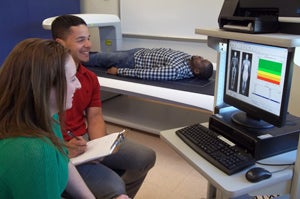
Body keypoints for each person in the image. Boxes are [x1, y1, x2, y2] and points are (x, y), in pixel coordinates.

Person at [51, 14, 156, 199]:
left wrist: (99, 148)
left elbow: (95, 116)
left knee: (145, 157)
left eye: (89, 38)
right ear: (60, 44)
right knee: (115, 186)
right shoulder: (47, 80)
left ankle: (117, 194)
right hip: (58, 146)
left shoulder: (90, 78)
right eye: (80, 40)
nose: (89, 45)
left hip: (83, 140)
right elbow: (34, 132)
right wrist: (63, 148)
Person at [0, 38, 95, 198]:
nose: (78, 85)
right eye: (72, 79)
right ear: (44, 87)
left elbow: (63, 159)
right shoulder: (34, 152)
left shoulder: (45, 116)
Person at [86, 48, 214, 81]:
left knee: (98, 58)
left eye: (202, 61)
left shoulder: (176, 71)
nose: (200, 57)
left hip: (132, 61)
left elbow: (147, 74)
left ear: (196, 71)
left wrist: (119, 71)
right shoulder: (189, 59)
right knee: (103, 55)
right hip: (139, 52)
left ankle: (73, 58)